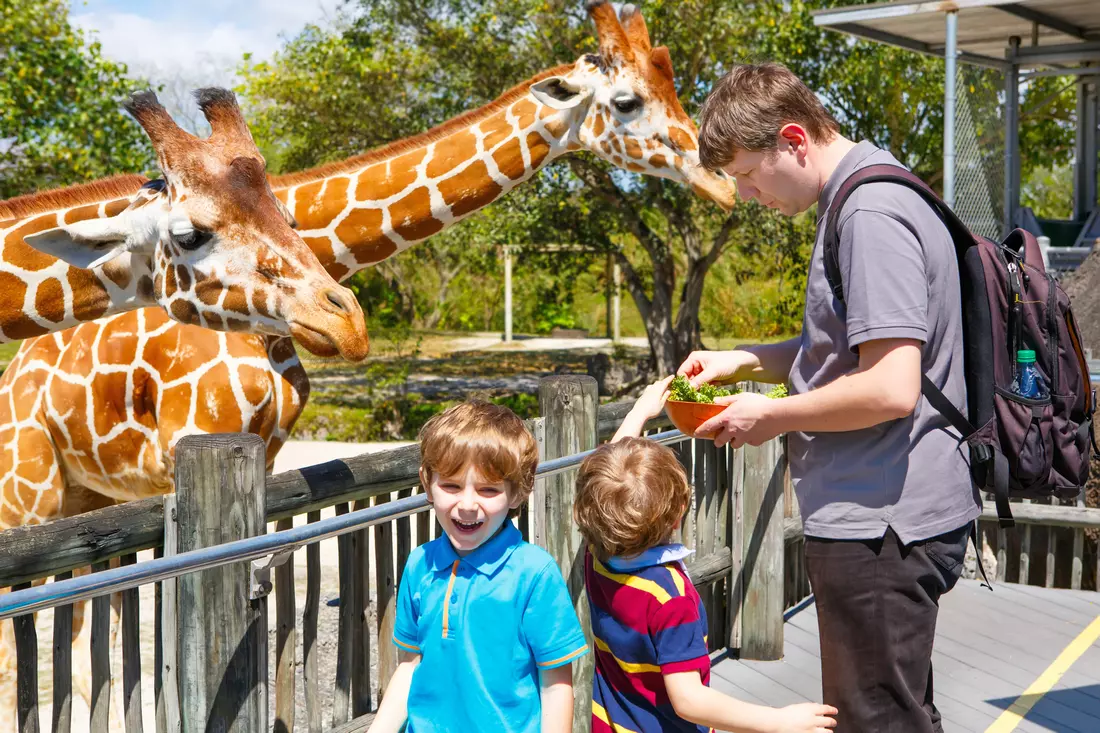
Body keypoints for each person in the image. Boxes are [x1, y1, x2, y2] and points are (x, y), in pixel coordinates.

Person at [682, 62, 982, 732]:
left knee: (875, 720)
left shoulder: (869, 211)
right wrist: (744, 361)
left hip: (881, 522)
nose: (752, 195)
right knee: (894, 711)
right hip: (880, 513)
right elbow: (848, 350)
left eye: (750, 176)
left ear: (793, 139)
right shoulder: (862, 190)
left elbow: (890, 385)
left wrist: (770, 415)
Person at [572, 376, 838, 733]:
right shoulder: (669, 597)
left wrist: (639, 412)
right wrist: (777, 721)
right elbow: (690, 700)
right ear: (682, 508)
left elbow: (603, 483)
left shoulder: (599, 558)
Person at [369, 400, 588, 733]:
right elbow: (410, 666)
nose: (468, 505)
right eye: (452, 486)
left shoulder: (535, 573)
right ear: (427, 483)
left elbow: (556, 685)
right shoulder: (419, 564)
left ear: (517, 493)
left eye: (488, 490)